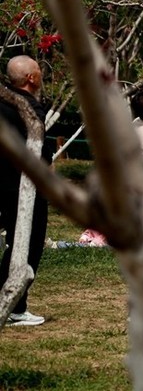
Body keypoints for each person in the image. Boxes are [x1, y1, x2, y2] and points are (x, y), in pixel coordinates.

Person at [0, 56, 50, 326]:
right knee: (26, 245)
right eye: (38, 70)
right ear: (31, 78)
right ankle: (14, 305)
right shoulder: (28, 107)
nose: (41, 73)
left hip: (4, 182)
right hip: (25, 187)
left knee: (13, 243)